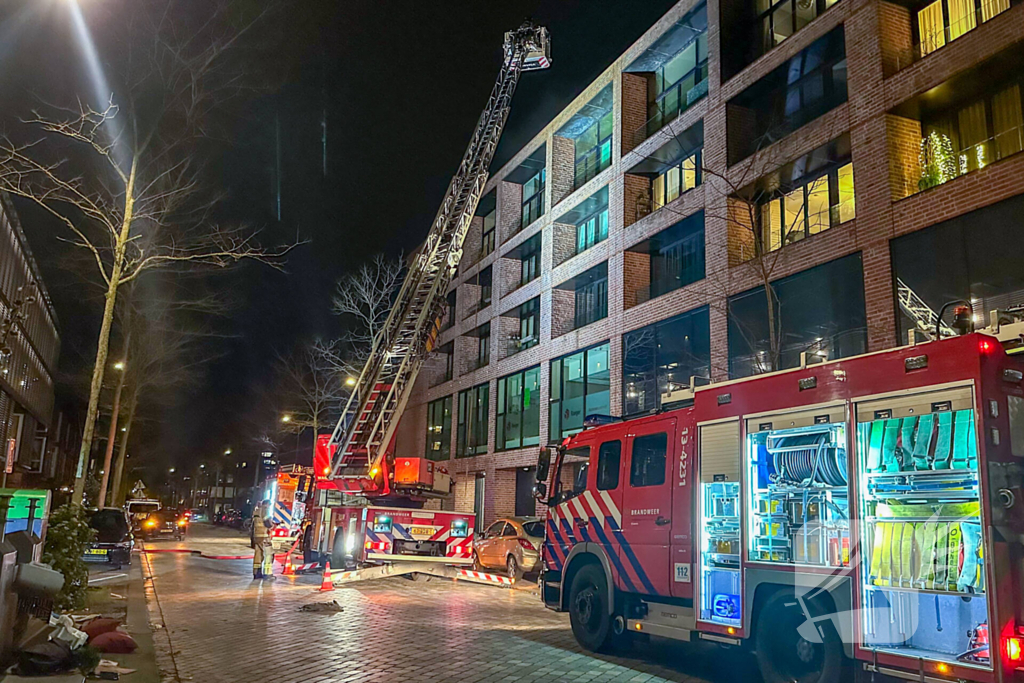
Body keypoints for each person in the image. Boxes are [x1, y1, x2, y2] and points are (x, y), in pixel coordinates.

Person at [251, 502, 275, 580]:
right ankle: (267, 574)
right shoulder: (265, 509)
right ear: (267, 504)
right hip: (264, 536)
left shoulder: (256, 511)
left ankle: (256, 573)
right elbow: (267, 521)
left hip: (256, 536)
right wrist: (272, 526)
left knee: (258, 554)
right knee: (269, 554)